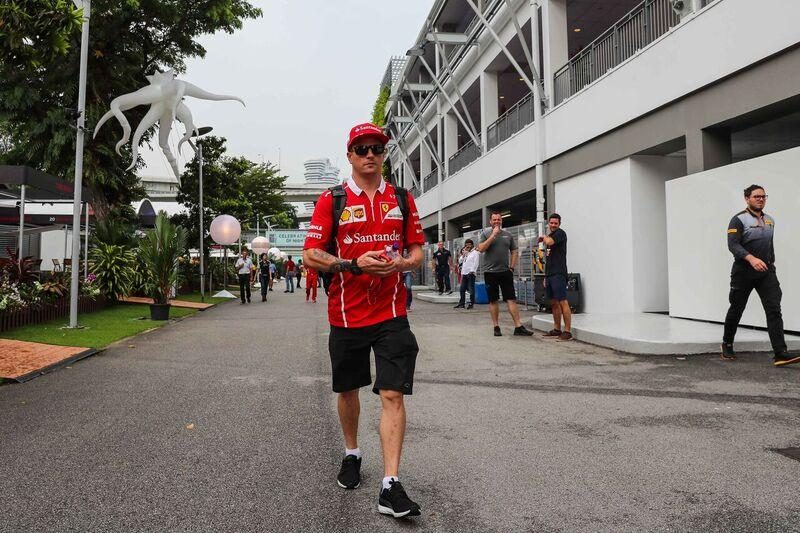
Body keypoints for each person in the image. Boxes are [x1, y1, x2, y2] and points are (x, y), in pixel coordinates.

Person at [303, 122, 425, 519]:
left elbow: (417, 249)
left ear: (384, 153)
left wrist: (403, 264)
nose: (369, 154)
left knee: (392, 394)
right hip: (346, 314)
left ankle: (390, 485)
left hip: (392, 313)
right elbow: (310, 254)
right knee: (349, 391)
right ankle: (352, 452)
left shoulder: (402, 198)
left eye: (376, 147)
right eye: (361, 148)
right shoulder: (332, 199)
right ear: (350, 155)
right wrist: (353, 264)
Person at [722, 184, 799, 367]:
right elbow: (733, 245)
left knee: (774, 309)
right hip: (743, 271)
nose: (761, 199)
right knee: (737, 307)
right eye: (757, 196)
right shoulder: (738, 220)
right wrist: (751, 259)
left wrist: (770, 262)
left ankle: (780, 353)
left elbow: (769, 245)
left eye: (763, 196)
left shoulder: (770, 220)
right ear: (747, 198)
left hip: (766, 272)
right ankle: (727, 343)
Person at [476, 211, 533, 337]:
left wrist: (511, 268)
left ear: (501, 221)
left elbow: (514, 251)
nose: (497, 222)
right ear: (490, 221)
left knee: (511, 299)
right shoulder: (485, 234)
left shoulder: (508, 235)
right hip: (490, 273)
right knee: (493, 300)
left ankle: (518, 327)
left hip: (505, 272)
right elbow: (481, 248)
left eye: (499, 220)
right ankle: (496, 326)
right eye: (494, 220)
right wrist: (493, 236)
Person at [538, 214, 572, 341]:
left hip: (559, 273)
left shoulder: (560, 234)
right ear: (548, 223)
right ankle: (557, 329)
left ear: (559, 224)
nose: (553, 225)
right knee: (553, 302)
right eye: (551, 223)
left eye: (555, 223)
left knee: (562, 301)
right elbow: (548, 258)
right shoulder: (551, 235)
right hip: (550, 274)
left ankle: (567, 331)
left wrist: (543, 237)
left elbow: (549, 242)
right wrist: (546, 277)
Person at [454, 239, 479, 309]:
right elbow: (460, 261)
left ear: (472, 245)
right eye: (466, 245)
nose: (467, 246)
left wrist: (472, 271)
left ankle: (471, 303)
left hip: (470, 273)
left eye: (469, 245)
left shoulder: (475, 252)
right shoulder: (466, 253)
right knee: (462, 289)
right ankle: (461, 303)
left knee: (471, 289)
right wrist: (464, 254)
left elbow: (476, 262)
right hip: (464, 273)